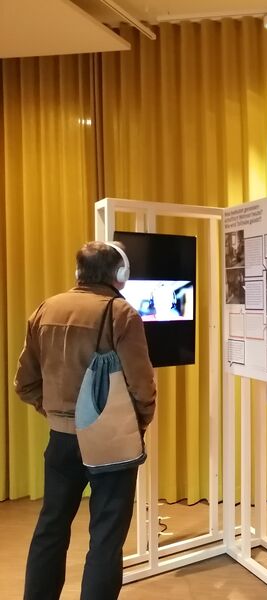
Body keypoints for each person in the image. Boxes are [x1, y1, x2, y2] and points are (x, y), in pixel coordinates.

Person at [14, 241, 156, 599]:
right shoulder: (121, 313)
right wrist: (137, 424)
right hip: (111, 443)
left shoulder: (46, 308)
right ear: (120, 274)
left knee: (51, 527)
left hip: (60, 440)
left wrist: (53, 413)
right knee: (106, 537)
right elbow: (142, 386)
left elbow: (24, 383)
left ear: (79, 272)